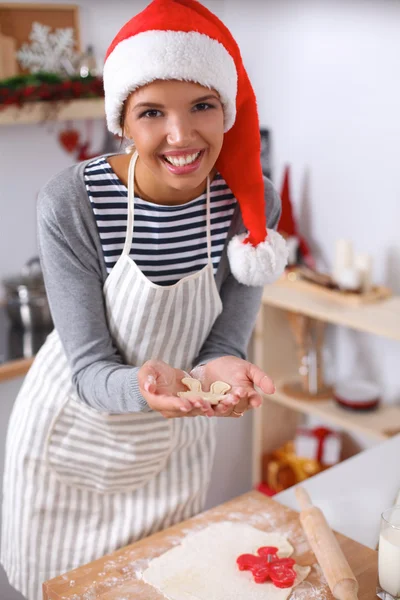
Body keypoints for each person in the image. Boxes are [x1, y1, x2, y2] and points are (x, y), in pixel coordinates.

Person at [1, 0, 288, 598]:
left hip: (173, 446)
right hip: (72, 441)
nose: (181, 136)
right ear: (122, 121)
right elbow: (88, 371)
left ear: (227, 110)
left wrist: (220, 369)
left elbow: (224, 340)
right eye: (152, 111)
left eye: (202, 106)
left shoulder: (250, 201)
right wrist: (148, 386)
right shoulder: (72, 204)